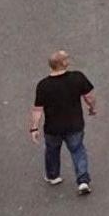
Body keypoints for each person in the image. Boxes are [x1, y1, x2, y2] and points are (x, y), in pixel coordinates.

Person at [31, 50, 97, 193]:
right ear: (63, 63)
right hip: (75, 125)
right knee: (78, 150)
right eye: (67, 58)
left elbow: (38, 109)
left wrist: (34, 128)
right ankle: (83, 180)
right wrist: (91, 108)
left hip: (52, 128)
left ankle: (53, 175)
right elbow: (89, 97)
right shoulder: (77, 77)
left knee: (52, 151)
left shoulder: (43, 85)